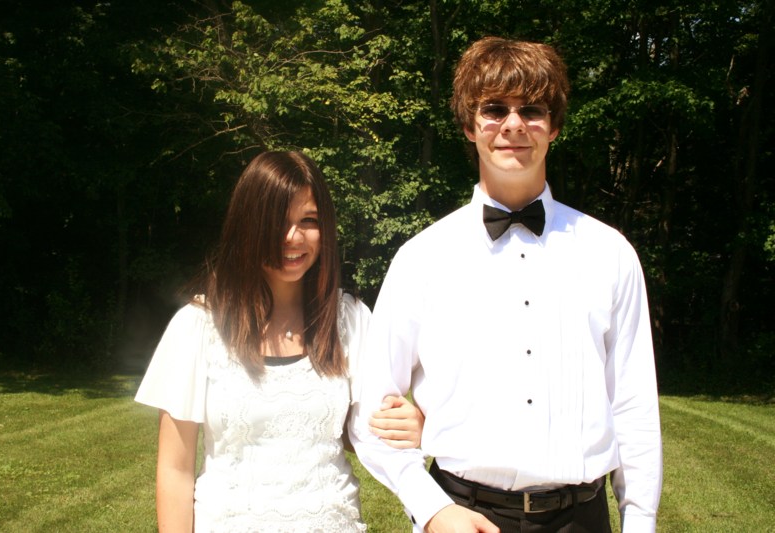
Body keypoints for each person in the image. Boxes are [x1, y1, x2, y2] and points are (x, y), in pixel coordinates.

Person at [349, 36, 663, 533]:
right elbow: (372, 412)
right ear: (469, 125)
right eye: (494, 109)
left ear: (553, 126)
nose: (513, 124)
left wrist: (640, 522)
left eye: (532, 110)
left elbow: (633, 406)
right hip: (461, 514)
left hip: (582, 519)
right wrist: (432, 510)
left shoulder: (610, 253)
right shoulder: (422, 258)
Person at [135, 150, 425, 532]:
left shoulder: (349, 319)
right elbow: (175, 469)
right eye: (276, 221)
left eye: (309, 221)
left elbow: (365, 432)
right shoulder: (198, 326)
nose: (293, 237)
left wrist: (414, 423)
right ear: (247, 225)